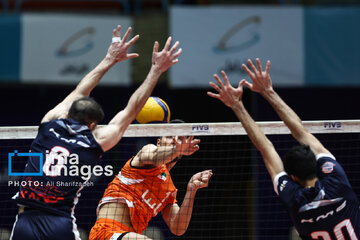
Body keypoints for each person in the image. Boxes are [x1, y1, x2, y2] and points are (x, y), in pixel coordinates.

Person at [10, 25, 182, 240]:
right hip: (59, 222)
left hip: (25, 220)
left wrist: (109, 58)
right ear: (92, 125)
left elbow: (80, 91)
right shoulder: (95, 141)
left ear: (69, 112)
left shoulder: (49, 122)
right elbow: (131, 111)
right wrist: (156, 70)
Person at [207, 58, 360, 239]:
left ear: (293, 177)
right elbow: (302, 133)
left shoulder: (292, 197)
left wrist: (237, 106)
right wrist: (268, 91)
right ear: (316, 167)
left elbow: (266, 148)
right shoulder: (336, 181)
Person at [89, 119, 213, 240]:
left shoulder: (169, 190)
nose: (175, 141)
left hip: (129, 234)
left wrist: (191, 191)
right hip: (106, 232)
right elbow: (153, 156)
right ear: (159, 142)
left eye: (180, 139)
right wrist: (176, 149)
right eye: (170, 136)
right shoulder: (147, 152)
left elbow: (178, 228)